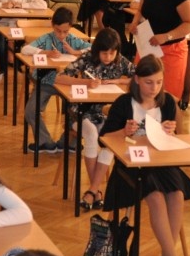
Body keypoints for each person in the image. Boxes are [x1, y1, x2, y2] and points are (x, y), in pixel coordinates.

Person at [100, 55, 190, 256]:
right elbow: (104, 138)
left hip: (160, 160)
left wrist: (169, 131)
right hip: (131, 164)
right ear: (136, 79)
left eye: (158, 82)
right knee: (155, 197)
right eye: (148, 82)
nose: (154, 88)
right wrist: (124, 132)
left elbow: (173, 137)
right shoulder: (124, 103)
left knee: (177, 194)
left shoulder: (167, 102)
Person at [55, 28, 133, 210]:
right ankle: (95, 190)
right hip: (80, 112)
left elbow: (139, 77)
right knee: (91, 134)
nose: (108, 57)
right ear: (97, 50)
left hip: (105, 114)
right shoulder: (87, 58)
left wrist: (118, 81)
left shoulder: (120, 61)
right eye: (104, 53)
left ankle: (92, 191)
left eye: (112, 53)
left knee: (111, 137)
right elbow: (60, 77)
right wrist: (86, 83)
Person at [20, 7, 89, 154]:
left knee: (80, 111)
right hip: (46, 81)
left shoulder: (73, 40)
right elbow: (25, 49)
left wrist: (76, 52)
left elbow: (93, 49)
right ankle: (45, 142)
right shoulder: (46, 38)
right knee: (31, 111)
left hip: (68, 83)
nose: (62, 35)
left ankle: (68, 142)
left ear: (70, 28)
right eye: (58, 31)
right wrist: (45, 52)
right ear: (53, 26)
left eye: (65, 31)